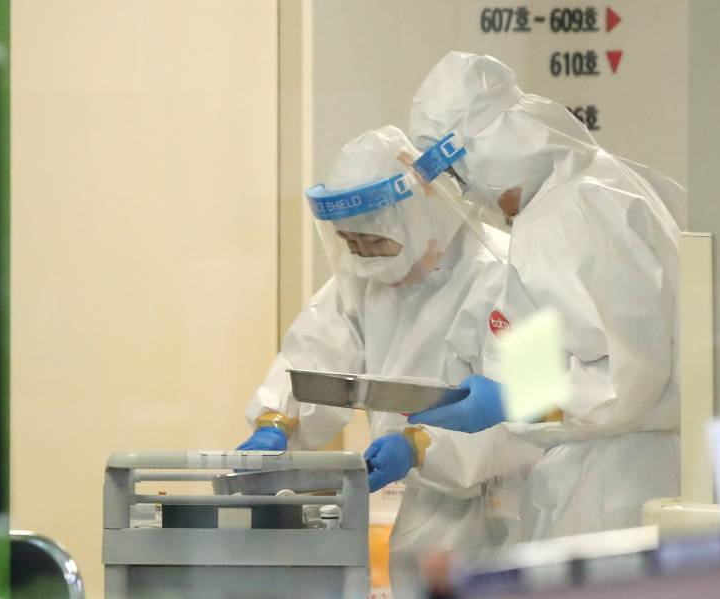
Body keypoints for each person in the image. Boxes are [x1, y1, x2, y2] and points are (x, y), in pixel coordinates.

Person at [238, 125, 540, 590]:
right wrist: (276, 422)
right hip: (427, 505)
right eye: (352, 244)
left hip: (512, 504)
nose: (366, 258)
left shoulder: (509, 274)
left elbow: (533, 418)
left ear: (422, 217)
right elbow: (314, 352)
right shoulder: (366, 279)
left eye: (377, 243)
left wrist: (422, 447)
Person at [406, 51, 682, 540]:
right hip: (627, 470)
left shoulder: (563, 214)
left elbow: (626, 379)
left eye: (460, 174)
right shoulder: (607, 182)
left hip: (609, 487)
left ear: (488, 149)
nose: (469, 194)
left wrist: (515, 398)